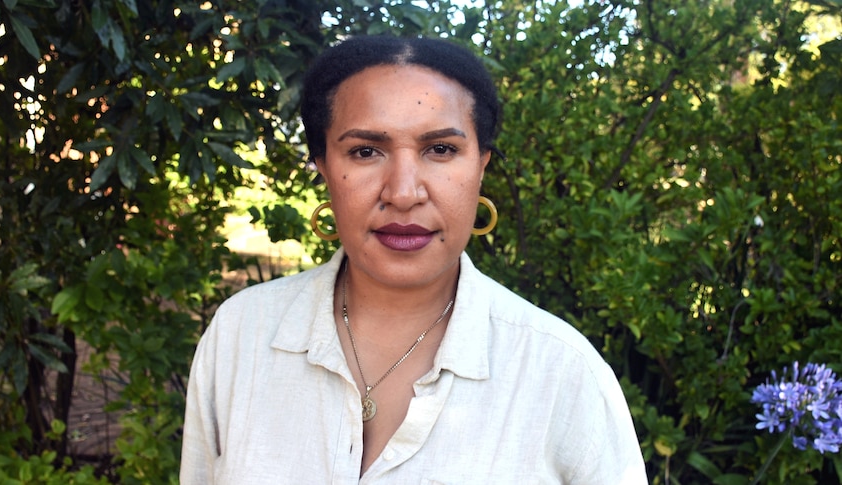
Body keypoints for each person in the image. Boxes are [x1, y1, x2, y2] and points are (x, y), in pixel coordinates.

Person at [180, 35, 647, 484]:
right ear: (323, 165)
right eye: (365, 151)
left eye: (441, 149)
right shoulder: (242, 335)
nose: (403, 193)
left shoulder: (561, 374)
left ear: (481, 163)